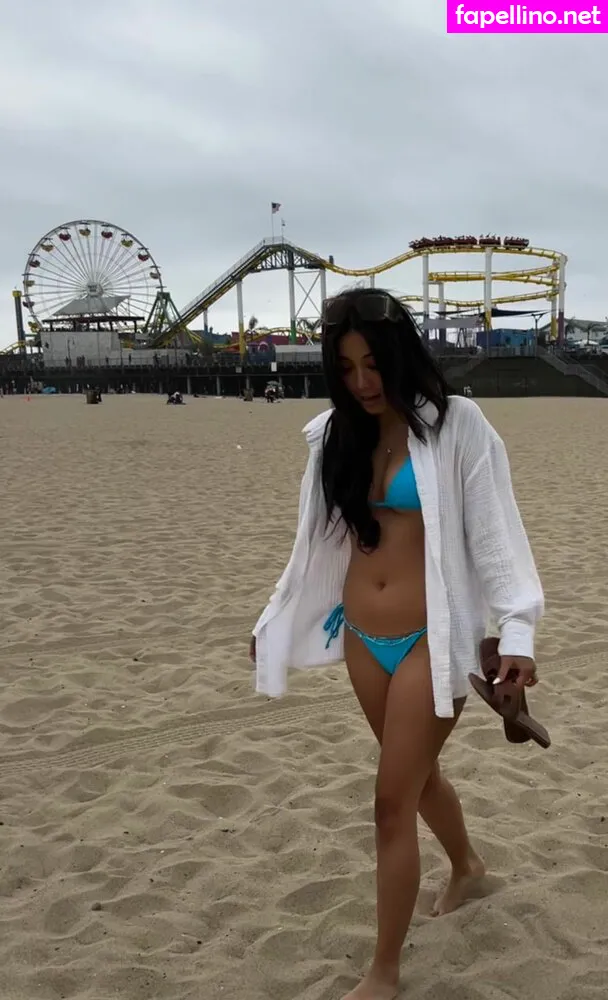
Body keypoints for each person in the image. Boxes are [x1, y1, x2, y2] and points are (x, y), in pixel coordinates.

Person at [249, 288, 544, 1000]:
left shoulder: (459, 425)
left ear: (401, 355)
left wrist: (518, 630)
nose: (362, 382)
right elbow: (312, 544)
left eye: (374, 364)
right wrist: (272, 620)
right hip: (361, 638)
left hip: (429, 641)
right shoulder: (334, 434)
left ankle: (383, 972)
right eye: (346, 368)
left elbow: (497, 536)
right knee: (414, 780)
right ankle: (468, 867)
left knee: (389, 801)